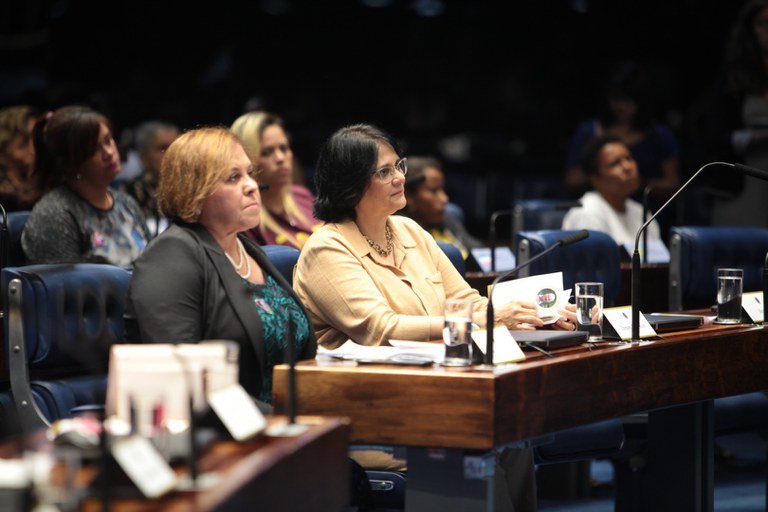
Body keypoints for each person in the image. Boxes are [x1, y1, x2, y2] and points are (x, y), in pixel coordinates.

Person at [293, 123, 577, 512]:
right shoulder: (326, 249)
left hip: (441, 393)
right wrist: (486, 322)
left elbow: (465, 300)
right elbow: (380, 328)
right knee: (482, 445)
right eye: (384, 172)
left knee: (513, 439)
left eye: (399, 165)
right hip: (377, 412)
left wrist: (534, 312)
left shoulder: (410, 231)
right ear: (349, 184)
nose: (399, 178)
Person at [123, 127, 374, 510]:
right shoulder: (171, 258)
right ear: (194, 190)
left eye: (249, 174)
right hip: (219, 446)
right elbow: (185, 379)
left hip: (279, 436)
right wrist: (285, 426)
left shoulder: (248, 250)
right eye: (232, 178)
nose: (252, 187)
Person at [21, 105, 148, 268]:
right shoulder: (55, 214)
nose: (109, 152)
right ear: (68, 163)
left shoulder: (127, 203)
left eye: (108, 140)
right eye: (94, 149)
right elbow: (65, 289)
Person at [564, 61, 681, 203]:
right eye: (615, 98)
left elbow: (673, 185)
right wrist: (605, 178)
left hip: (644, 212)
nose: (621, 107)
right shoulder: (588, 131)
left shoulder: (661, 136)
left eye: (628, 100)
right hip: (601, 211)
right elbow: (572, 180)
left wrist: (640, 183)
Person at [697, 0, 768, 227]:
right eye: (763, 23)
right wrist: (754, 138)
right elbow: (714, 135)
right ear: (750, 28)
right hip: (745, 179)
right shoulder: (734, 75)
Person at [230, 111, 321, 249]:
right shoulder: (247, 220)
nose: (280, 158)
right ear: (246, 159)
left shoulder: (302, 195)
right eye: (266, 152)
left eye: (284, 148)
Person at [561, 134, 662, 248]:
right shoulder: (587, 213)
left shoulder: (641, 211)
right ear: (595, 179)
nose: (627, 167)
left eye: (629, 158)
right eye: (615, 163)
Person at [400, 155, 481, 260]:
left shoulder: (447, 217)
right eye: (434, 191)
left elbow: (479, 251)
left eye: (442, 190)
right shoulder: (403, 232)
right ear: (409, 196)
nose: (445, 199)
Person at [123, 120, 180, 237]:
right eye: (163, 148)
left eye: (176, 147)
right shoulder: (129, 195)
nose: (172, 154)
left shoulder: (193, 192)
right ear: (143, 157)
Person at [0, 105, 43, 212]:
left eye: (36, 137)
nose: (34, 145)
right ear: (7, 138)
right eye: (26, 138)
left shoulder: (41, 176)